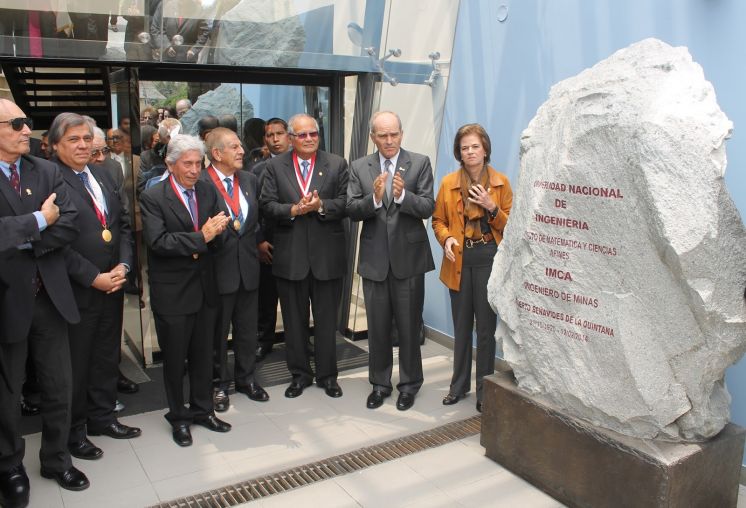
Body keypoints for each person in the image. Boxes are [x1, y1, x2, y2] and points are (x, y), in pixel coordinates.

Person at [0, 100, 89, 506]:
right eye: (17, 123)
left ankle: (56, 458)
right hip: (7, 299)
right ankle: (9, 465)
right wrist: (39, 221)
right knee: (7, 390)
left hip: (50, 297)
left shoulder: (46, 169)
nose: (26, 130)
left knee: (58, 385)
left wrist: (21, 238)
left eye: (27, 122)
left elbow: (69, 223)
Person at [49, 113, 142, 464]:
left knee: (106, 355)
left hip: (113, 282)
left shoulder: (103, 175)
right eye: (74, 139)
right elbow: (54, 242)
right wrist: (92, 276)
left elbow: (119, 226)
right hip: (78, 288)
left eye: (87, 139)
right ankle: (75, 432)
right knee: (77, 364)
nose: (83, 145)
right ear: (55, 144)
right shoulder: (49, 179)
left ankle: (103, 418)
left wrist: (124, 265)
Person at [140, 134, 232, 447]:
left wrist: (217, 234)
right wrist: (201, 238)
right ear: (170, 163)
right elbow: (158, 242)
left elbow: (220, 228)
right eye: (187, 163)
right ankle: (178, 418)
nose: (194, 170)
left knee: (204, 356)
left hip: (205, 289)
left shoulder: (207, 189)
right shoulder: (154, 197)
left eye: (198, 163)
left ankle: (203, 410)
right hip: (174, 294)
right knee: (176, 361)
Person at [347, 111, 435, 411]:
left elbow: (427, 207)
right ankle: (380, 384)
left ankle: (409, 385)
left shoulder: (420, 163)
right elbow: (351, 208)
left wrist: (401, 196)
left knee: (410, 327)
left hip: (409, 260)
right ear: (373, 137)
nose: (388, 140)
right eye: (382, 135)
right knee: (378, 327)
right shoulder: (360, 166)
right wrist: (373, 199)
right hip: (374, 261)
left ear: (401, 134)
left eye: (393, 134)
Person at [260, 114, 348, 399]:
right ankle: (299, 375)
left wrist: (322, 206)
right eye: (303, 135)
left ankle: (328, 376)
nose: (309, 139)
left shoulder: (336, 164)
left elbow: (346, 202)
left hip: (327, 257)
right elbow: (267, 205)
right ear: (291, 138)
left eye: (313, 134)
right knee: (294, 322)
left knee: (325, 322)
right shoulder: (274, 167)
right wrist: (294, 210)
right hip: (290, 257)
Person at [432, 123, 513, 413]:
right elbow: (437, 221)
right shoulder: (447, 183)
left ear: (485, 149)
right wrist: (447, 238)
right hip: (459, 260)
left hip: (489, 257)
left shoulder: (501, 183)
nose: (470, 152)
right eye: (465, 147)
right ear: (459, 153)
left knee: (486, 331)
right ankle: (458, 386)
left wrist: (492, 207)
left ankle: (485, 390)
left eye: (475, 146)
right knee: (462, 326)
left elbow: (511, 226)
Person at [203, 128, 269, 411]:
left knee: (246, 329)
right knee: (217, 333)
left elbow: (253, 222)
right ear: (217, 154)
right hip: (217, 271)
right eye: (234, 147)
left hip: (248, 269)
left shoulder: (250, 180)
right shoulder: (202, 183)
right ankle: (219, 384)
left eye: (241, 146)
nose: (242, 151)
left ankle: (246, 379)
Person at [252, 118, 289, 361]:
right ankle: (264, 341)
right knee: (266, 297)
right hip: (268, 242)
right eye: (270, 135)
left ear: (288, 136)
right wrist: (259, 241)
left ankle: (298, 340)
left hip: (295, 242)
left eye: (279, 134)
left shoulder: (302, 165)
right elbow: (252, 210)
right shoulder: (257, 170)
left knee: (295, 298)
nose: (275, 139)